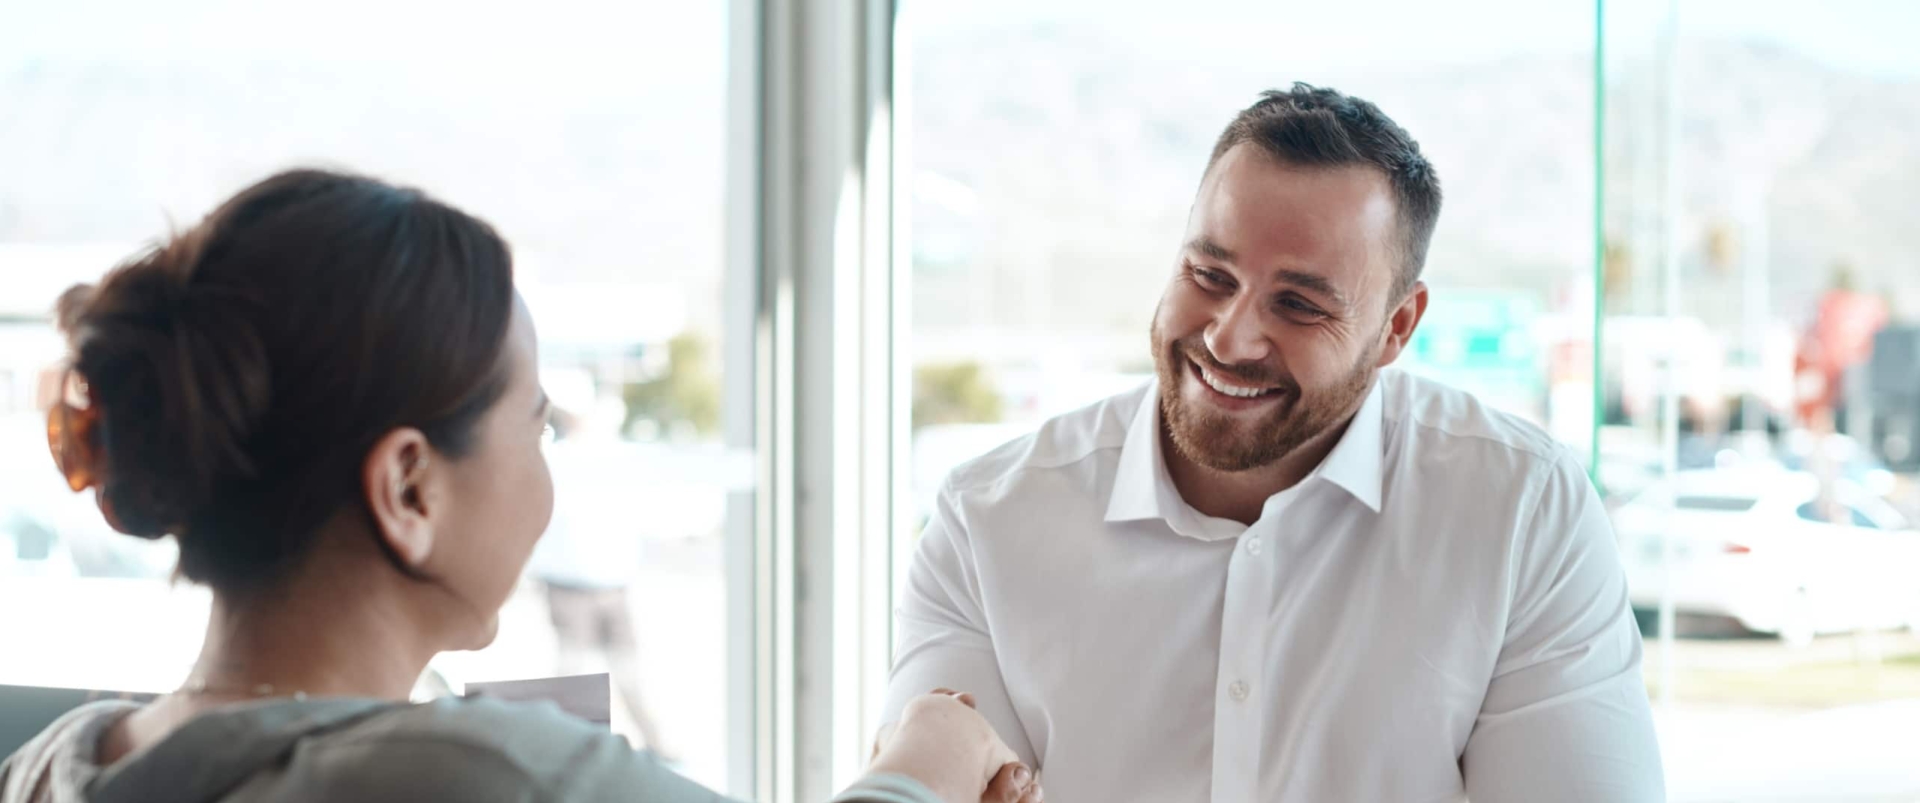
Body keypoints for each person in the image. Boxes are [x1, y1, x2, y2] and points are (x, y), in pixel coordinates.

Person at [0, 169, 1040, 803]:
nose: (548, 477)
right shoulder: (476, 773)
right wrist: (926, 758)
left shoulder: (54, 762)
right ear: (410, 486)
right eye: (532, 423)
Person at [882, 84, 1665, 802]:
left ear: (1397, 327)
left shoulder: (1524, 512)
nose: (1230, 337)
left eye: (1297, 303)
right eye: (1209, 274)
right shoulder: (986, 523)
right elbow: (937, 777)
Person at [528, 396, 674, 759]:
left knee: (629, 671)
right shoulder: (559, 461)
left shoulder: (616, 459)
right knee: (571, 673)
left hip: (613, 586)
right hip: (569, 588)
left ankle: (654, 743)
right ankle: (566, 750)